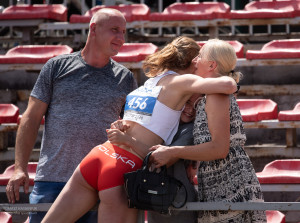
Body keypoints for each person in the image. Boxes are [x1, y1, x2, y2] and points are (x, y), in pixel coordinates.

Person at [42, 36, 237, 223]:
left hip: (98, 155)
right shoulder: (181, 82)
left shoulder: (148, 84)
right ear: (191, 64)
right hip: (124, 166)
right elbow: (228, 85)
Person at [6, 8, 138, 223]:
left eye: (123, 32)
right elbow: (30, 118)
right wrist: (20, 168)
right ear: (93, 29)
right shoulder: (56, 67)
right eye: (115, 30)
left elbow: (130, 130)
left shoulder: (126, 78)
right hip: (52, 179)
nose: (121, 38)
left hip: (99, 182)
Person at [149, 39, 267, 222]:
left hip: (229, 185)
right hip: (219, 182)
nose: (195, 60)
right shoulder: (210, 95)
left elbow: (219, 148)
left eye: (200, 56)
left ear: (212, 65)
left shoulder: (216, 95)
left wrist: (172, 152)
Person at [147, 93, 201, 223]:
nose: (190, 110)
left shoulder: (191, 129)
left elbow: (162, 160)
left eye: (196, 106)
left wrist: (128, 140)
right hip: (155, 197)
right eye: (187, 102)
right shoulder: (159, 122)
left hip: (180, 200)